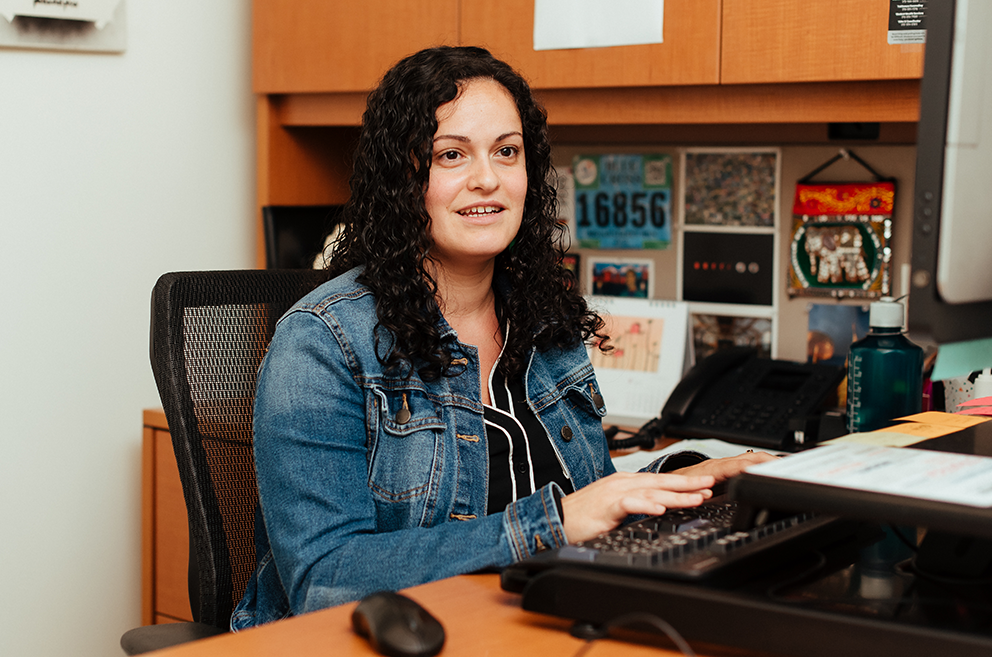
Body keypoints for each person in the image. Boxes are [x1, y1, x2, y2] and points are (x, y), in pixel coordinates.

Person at [231, 46, 772, 630]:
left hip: (524, 623)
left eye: (506, 152)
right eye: (451, 155)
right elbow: (324, 578)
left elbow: (583, 502)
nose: (486, 178)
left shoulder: (541, 318)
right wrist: (551, 525)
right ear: (399, 178)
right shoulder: (322, 343)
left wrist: (673, 483)